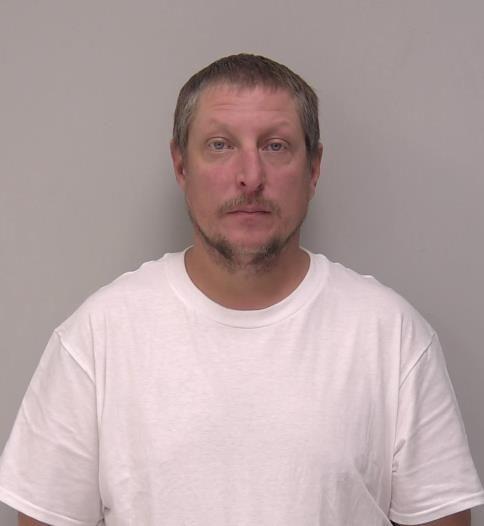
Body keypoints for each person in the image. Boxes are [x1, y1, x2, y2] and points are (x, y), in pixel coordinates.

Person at [0, 54, 483, 526]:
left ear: (314, 168)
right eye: (219, 145)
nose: (250, 176)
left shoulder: (392, 336)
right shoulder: (97, 337)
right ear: (181, 166)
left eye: (275, 146)